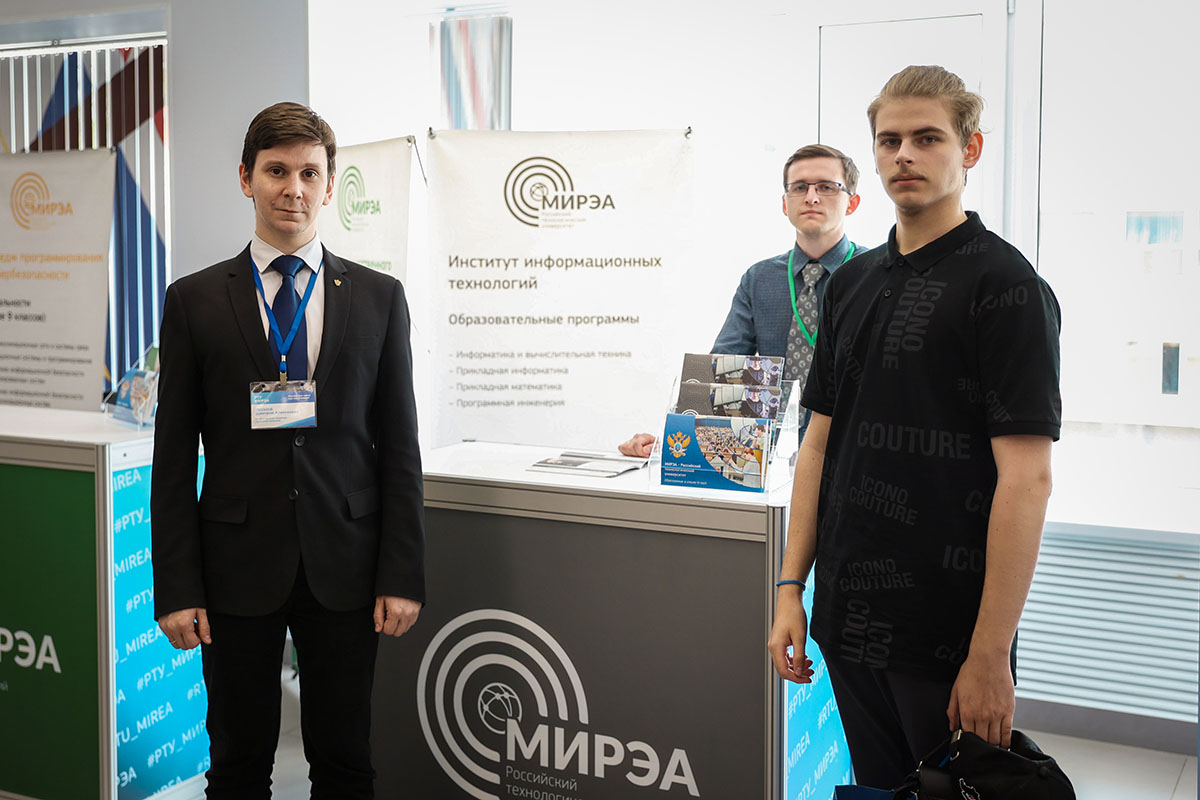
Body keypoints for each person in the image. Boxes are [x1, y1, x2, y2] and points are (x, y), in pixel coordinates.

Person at [767, 66, 1062, 788]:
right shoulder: (851, 282)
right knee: (879, 786)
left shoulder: (1007, 287)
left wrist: (989, 654)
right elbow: (818, 446)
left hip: (948, 634)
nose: (904, 154)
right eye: (889, 140)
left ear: (970, 149)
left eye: (927, 138)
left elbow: (1027, 480)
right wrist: (791, 589)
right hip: (848, 615)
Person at [151, 102, 425, 798]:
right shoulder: (193, 301)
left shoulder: (380, 298)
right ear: (246, 178)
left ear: (330, 186)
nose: (292, 189)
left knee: (345, 762)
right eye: (276, 171)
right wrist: (176, 587)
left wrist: (402, 572)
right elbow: (173, 457)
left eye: (309, 173)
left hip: (348, 565)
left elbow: (400, 448)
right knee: (237, 765)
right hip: (234, 567)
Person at [618, 144, 862, 457]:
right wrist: (673, 440)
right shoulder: (759, 278)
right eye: (799, 187)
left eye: (826, 187)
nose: (811, 197)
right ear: (785, 204)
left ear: (852, 202)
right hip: (768, 456)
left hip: (852, 452)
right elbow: (722, 372)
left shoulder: (873, 274)